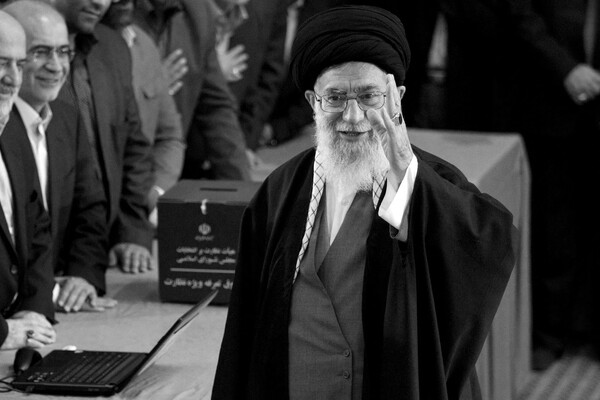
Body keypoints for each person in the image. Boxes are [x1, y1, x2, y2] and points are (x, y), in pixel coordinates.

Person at [212, 5, 516, 400]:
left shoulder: (430, 181)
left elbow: (490, 244)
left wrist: (406, 175)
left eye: (369, 96)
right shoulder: (279, 191)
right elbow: (245, 330)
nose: (353, 117)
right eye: (335, 97)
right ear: (313, 101)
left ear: (396, 98)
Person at [3, 0, 115, 313]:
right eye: (40, 52)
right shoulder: (2, 125)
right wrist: (44, 293)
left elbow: (89, 209)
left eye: (63, 52)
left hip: (48, 305)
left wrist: (83, 276)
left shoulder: (66, 117)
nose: (56, 66)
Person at [505, 0, 600, 369]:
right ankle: (550, 333)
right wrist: (567, 69)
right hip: (550, 99)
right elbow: (521, 15)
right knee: (553, 228)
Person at [49, 0, 155, 274]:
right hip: (45, 262)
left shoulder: (112, 46)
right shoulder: (14, 49)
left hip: (103, 255)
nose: (101, 2)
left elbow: (133, 146)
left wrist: (131, 233)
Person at [133, 0, 251, 181]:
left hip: (169, 170)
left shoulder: (198, 13)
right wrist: (151, 87)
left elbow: (216, 108)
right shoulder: (116, 11)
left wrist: (241, 189)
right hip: (120, 173)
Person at [0, 10, 56, 350]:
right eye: (1, 63)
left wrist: (33, 310)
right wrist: (4, 334)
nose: (13, 78)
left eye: (19, 65)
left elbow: (37, 229)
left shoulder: (13, 132)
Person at [102, 0, 185, 226]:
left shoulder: (144, 45)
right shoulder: (71, 52)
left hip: (137, 212)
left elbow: (169, 137)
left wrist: (156, 191)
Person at [211, 0, 288, 158]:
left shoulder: (257, 13)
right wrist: (215, 76)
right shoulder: (189, 12)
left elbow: (261, 84)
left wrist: (244, 145)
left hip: (234, 144)